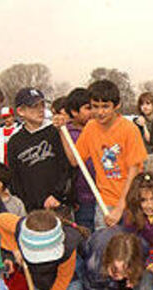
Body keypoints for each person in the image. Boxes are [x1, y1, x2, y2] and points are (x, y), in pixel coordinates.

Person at [58, 79, 148, 229]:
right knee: (104, 246)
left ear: (116, 105)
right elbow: (75, 160)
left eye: (105, 106)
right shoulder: (91, 127)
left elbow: (135, 171)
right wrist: (62, 131)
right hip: (103, 202)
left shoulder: (129, 129)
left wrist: (120, 208)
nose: (100, 112)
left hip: (131, 202)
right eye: (95, 107)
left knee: (130, 248)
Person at [8, 88, 73, 213]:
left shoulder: (55, 132)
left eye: (42, 105)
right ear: (21, 111)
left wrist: (57, 195)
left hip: (58, 203)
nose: (40, 110)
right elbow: (15, 180)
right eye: (34, 106)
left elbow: (66, 167)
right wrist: (28, 203)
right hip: (32, 209)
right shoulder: (14, 142)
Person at [65, 88, 97, 232]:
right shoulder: (67, 135)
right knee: (87, 237)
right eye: (88, 108)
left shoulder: (99, 129)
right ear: (74, 111)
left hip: (105, 195)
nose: (93, 112)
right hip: (83, 199)